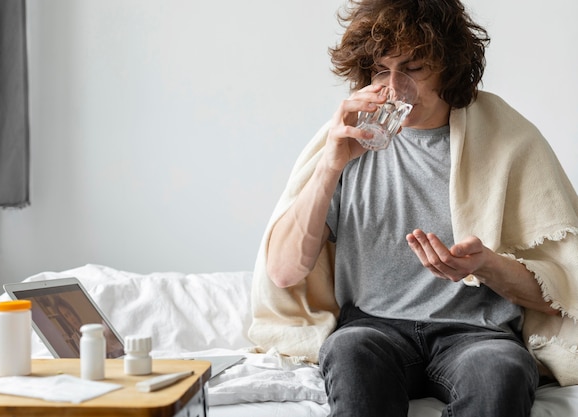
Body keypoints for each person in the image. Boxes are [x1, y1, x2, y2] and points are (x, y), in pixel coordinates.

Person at [248, 0, 578, 416]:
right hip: (372, 328)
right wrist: (331, 164)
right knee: (350, 351)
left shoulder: (510, 141)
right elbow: (283, 272)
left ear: (450, 66)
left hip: (478, 334)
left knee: (502, 372)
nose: (394, 86)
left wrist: (485, 265)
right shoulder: (348, 138)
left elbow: (565, 293)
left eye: (414, 67)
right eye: (380, 70)